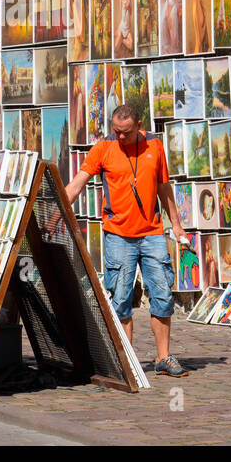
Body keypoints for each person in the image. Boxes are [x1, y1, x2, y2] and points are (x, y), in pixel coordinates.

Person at [63, 104, 191, 378]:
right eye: (116, 131)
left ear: (138, 126)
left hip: (152, 231)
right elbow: (76, 184)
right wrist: (54, 213)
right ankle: (127, 362)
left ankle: (163, 357)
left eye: (126, 132)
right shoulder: (103, 147)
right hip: (118, 233)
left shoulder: (154, 145)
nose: (120, 137)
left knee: (162, 293)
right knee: (120, 298)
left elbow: (163, 187)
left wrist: (177, 226)